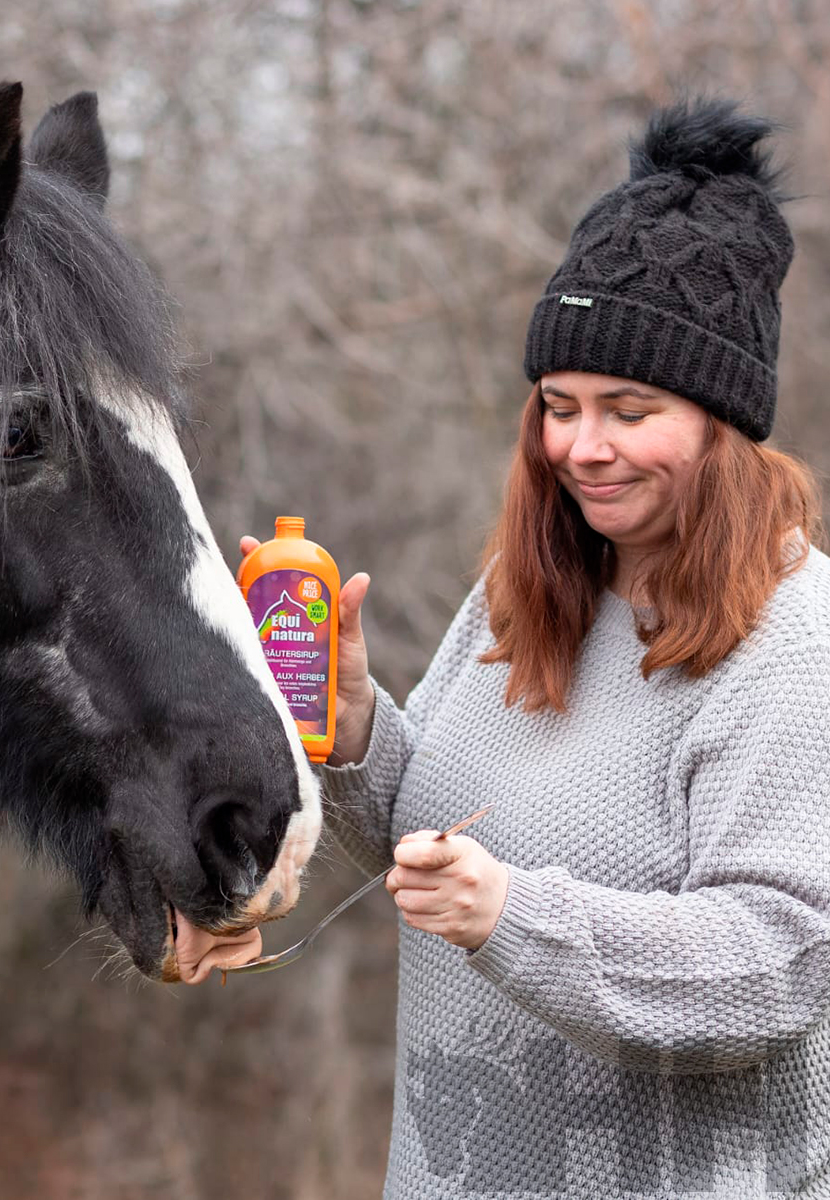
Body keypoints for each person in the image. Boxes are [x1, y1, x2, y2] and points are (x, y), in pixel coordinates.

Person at [188, 97, 830, 1197]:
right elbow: (435, 840)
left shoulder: (795, 640)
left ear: (723, 426)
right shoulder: (518, 596)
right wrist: (355, 739)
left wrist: (513, 916)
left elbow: (777, 965)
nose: (583, 448)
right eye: (558, 405)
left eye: (630, 410)